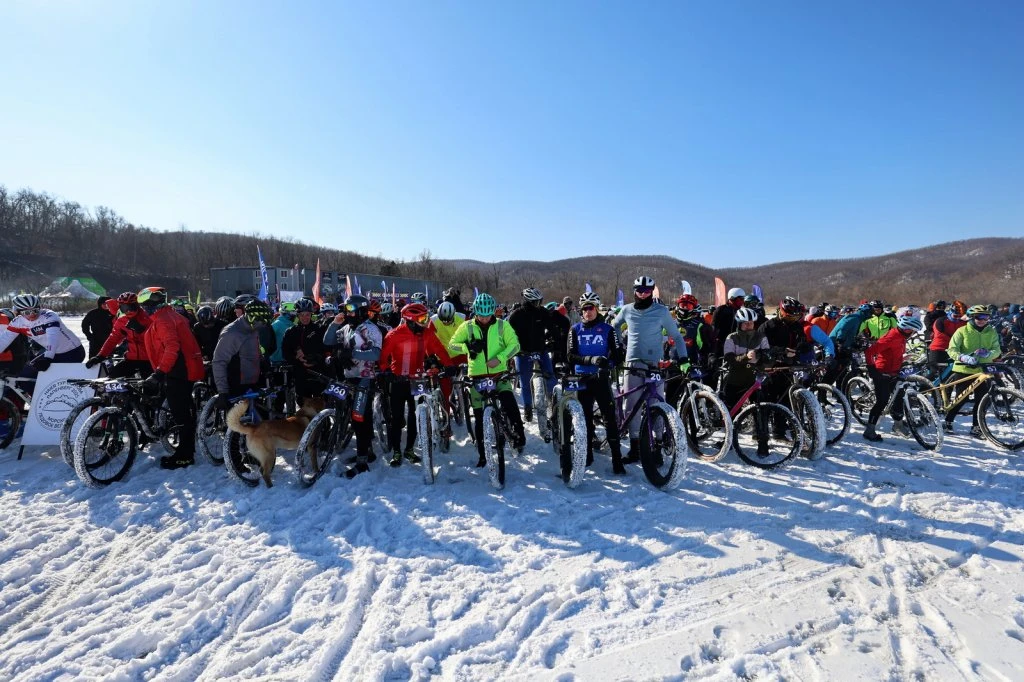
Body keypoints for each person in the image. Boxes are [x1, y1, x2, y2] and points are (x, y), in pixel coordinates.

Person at [609, 276, 687, 462]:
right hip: (632, 363)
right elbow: (613, 327)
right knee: (631, 406)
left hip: (655, 364)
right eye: (639, 290)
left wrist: (683, 358)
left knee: (656, 405)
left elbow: (676, 335)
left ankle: (658, 446)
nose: (642, 294)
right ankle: (635, 447)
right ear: (634, 291)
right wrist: (618, 346)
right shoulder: (627, 309)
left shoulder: (661, 311)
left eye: (646, 291)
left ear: (652, 292)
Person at [448, 293, 525, 466]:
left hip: (498, 374)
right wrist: (467, 347)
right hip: (477, 376)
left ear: (493, 312)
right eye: (480, 315)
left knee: (509, 401)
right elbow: (451, 345)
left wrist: (501, 358)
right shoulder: (467, 327)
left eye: (487, 314)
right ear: (475, 312)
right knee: (479, 415)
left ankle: (519, 433)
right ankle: (483, 454)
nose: (483, 318)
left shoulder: (502, 325)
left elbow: (515, 345)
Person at [138, 287, 205, 469]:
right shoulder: (168, 315)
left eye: (144, 306)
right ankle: (186, 450)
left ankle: (185, 455)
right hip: (183, 368)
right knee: (184, 411)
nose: (143, 310)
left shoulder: (164, 320)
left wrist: (159, 372)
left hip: (178, 370)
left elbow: (171, 347)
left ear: (149, 305)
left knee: (181, 414)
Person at [378, 303, 453, 465]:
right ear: (410, 320)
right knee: (396, 418)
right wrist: (386, 371)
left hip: (418, 380)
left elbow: (439, 350)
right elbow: (383, 357)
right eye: (422, 318)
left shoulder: (426, 334)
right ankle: (397, 451)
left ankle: (409, 450)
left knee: (415, 416)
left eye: (426, 317)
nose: (426, 322)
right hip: (399, 380)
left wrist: (449, 365)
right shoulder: (394, 335)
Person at [323, 294, 383, 477]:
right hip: (349, 377)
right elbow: (328, 340)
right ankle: (367, 452)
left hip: (365, 378)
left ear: (361, 310)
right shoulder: (347, 327)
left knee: (360, 419)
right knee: (356, 418)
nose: (346, 313)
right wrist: (335, 323)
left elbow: (375, 354)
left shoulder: (370, 329)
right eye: (345, 309)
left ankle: (363, 462)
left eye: (350, 309)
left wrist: (351, 354)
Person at [567, 292, 626, 473]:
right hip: (582, 379)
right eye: (584, 308)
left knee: (609, 418)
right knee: (584, 419)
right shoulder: (575, 329)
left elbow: (618, 356)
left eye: (591, 308)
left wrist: (606, 365)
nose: (588, 312)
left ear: (597, 308)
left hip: (601, 379)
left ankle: (617, 460)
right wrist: (591, 360)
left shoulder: (608, 329)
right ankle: (587, 455)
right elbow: (570, 356)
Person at [862, 316, 924, 441]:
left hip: (894, 371)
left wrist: (904, 359)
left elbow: (893, 352)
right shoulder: (890, 337)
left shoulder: (901, 337)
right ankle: (869, 430)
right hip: (882, 372)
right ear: (907, 330)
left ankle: (898, 425)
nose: (914, 334)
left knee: (899, 397)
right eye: (913, 331)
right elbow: (869, 352)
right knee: (882, 401)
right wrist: (872, 369)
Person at [507, 288, 565, 422]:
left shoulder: (543, 312)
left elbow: (553, 329)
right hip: (522, 352)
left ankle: (554, 404)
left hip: (541, 350)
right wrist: (512, 351)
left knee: (551, 376)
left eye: (540, 301)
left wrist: (557, 344)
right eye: (536, 302)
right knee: (524, 382)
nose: (539, 304)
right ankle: (527, 408)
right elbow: (508, 335)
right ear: (528, 301)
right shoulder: (516, 315)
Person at [944, 305, 1002, 436]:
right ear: (971, 318)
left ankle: (976, 426)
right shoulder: (962, 331)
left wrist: (989, 354)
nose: (982, 320)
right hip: (964, 369)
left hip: (982, 371)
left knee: (981, 400)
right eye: (979, 317)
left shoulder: (991, 332)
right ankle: (948, 421)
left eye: (986, 317)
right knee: (961, 399)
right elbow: (952, 350)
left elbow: (997, 350)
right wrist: (963, 357)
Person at [0, 294, 85, 382]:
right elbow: (4, 340)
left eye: (35, 310)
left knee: (60, 381)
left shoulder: (49, 316)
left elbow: (52, 338)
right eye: (27, 312)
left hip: (73, 352)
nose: (32, 314)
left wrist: (47, 358)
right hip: (54, 353)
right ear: (17, 312)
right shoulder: (17, 322)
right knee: (24, 376)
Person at [86, 292, 153, 378]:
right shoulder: (122, 320)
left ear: (137, 305)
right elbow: (113, 339)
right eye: (124, 308)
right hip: (131, 358)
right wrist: (100, 356)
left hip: (150, 359)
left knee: (149, 388)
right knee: (112, 377)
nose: (128, 311)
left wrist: (142, 331)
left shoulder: (148, 318)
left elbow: (158, 339)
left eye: (131, 307)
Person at [720, 307, 772, 411]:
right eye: (745, 323)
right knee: (731, 410)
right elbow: (729, 359)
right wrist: (745, 357)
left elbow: (768, 357)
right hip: (736, 379)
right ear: (739, 324)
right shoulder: (732, 338)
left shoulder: (761, 337)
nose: (749, 326)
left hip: (755, 380)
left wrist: (760, 356)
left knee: (761, 410)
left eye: (751, 323)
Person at [281, 298, 329, 402]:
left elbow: (326, 349)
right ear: (297, 315)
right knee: (303, 405)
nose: (305, 317)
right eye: (301, 315)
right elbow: (285, 352)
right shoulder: (290, 332)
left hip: (318, 373)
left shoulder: (320, 329)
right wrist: (297, 358)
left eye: (307, 314)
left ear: (311, 314)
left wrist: (317, 357)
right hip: (300, 374)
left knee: (319, 406)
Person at [711, 287, 747, 358]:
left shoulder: (741, 312)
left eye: (743, 299)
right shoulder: (721, 310)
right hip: (721, 346)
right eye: (741, 299)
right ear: (733, 298)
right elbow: (714, 330)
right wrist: (715, 346)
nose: (743, 301)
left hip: (736, 345)